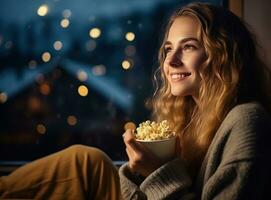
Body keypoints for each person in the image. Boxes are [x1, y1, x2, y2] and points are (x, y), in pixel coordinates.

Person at [1, 2, 271, 199]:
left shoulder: (246, 121)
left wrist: (160, 171)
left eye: (188, 46)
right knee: (87, 161)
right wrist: (137, 172)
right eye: (168, 49)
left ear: (223, 54)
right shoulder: (189, 119)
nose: (170, 61)